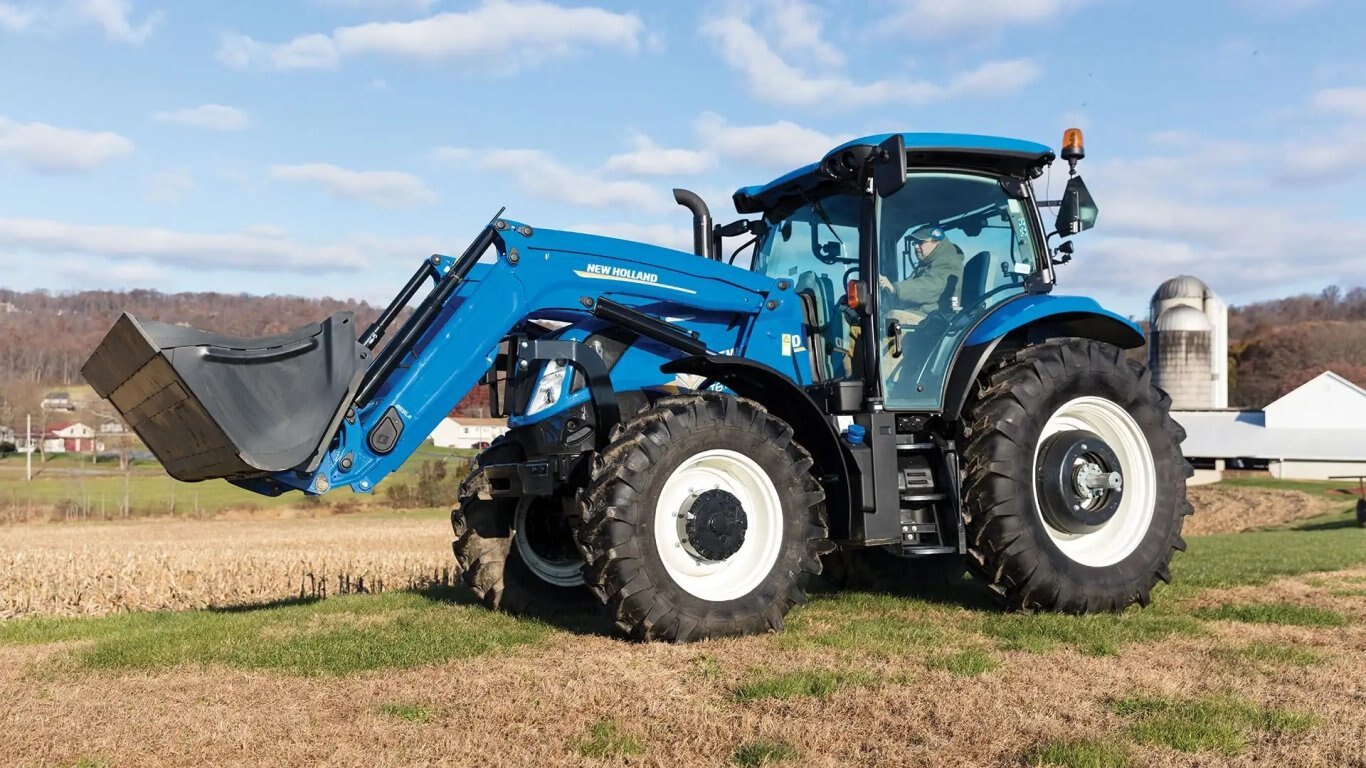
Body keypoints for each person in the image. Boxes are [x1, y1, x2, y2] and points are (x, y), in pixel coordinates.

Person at [877, 225, 966, 321]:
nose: (916, 246)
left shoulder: (949, 262)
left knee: (893, 318)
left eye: (921, 242)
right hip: (922, 315)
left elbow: (931, 286)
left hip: (936, 320)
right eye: (915, 243)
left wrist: (894, 288)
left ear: (937, 242)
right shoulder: (926, 265)